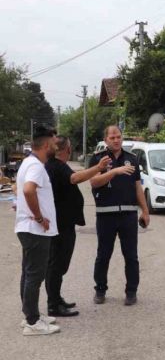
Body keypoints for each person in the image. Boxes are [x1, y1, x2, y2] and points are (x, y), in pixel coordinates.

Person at [45, 136, 110, 317]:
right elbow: (74, 178)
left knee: (60, 264)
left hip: (64, 222)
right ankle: (53, 305)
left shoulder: (58, 165)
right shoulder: (56, 165)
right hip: (60, 224)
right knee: (57, 264)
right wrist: (97, 168)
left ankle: (56, 299)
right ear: (66, 149)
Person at [89, 125, 150, 306]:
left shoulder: (132, 159)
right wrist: (114, 171)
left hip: (128, 215)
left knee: (131, 256)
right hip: (105, 215)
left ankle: (131, 291)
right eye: (112, 137)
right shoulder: (98, 158)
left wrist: (145, 211)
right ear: (106, 140)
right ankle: (100, 290)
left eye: (118, 136)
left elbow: (137, 187)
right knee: (103, 255)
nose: (116, 140)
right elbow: (94, 182)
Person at [15, 125, 60, 336]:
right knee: (35, 275)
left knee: (28, 273)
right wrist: (40, 218)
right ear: (44, 145)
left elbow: (22, 192)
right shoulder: (36, 167)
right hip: (35, 230)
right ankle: (33, 322)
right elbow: (28, 189)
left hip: (27, 228)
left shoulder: (28, 163)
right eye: (53, 143)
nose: (56, 146)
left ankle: (29, 315)